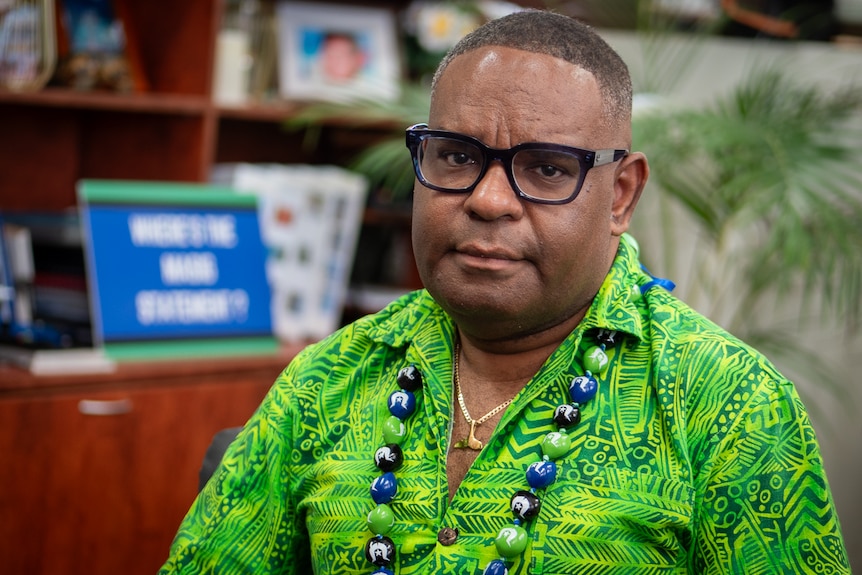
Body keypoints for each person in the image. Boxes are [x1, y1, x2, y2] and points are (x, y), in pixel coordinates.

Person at [160, 9, 849, 574]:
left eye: (547, 169)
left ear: (622, 194)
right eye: (456, 156)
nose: (489, 200)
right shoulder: (327, 379)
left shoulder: (728, 405)